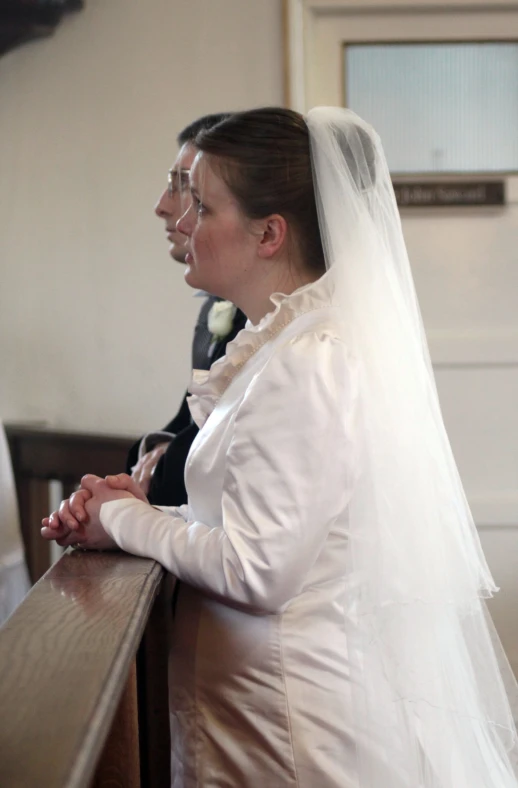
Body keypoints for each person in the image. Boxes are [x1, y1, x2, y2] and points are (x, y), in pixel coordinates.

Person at [42, 108, 518, 787]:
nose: (180, 220)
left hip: (291, 723)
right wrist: (125, 515)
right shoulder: (281, 350)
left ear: (269, 233)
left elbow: (257, 570)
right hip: (252, 706)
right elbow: (250, 524)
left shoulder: (308, 362)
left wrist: (124, 518)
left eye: (203, 205)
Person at [128, 112, 247, 505]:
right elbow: (189, 418)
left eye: (188, 191)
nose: (165, 208)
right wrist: (147, 457)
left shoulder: (272, 323)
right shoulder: (220, 303)